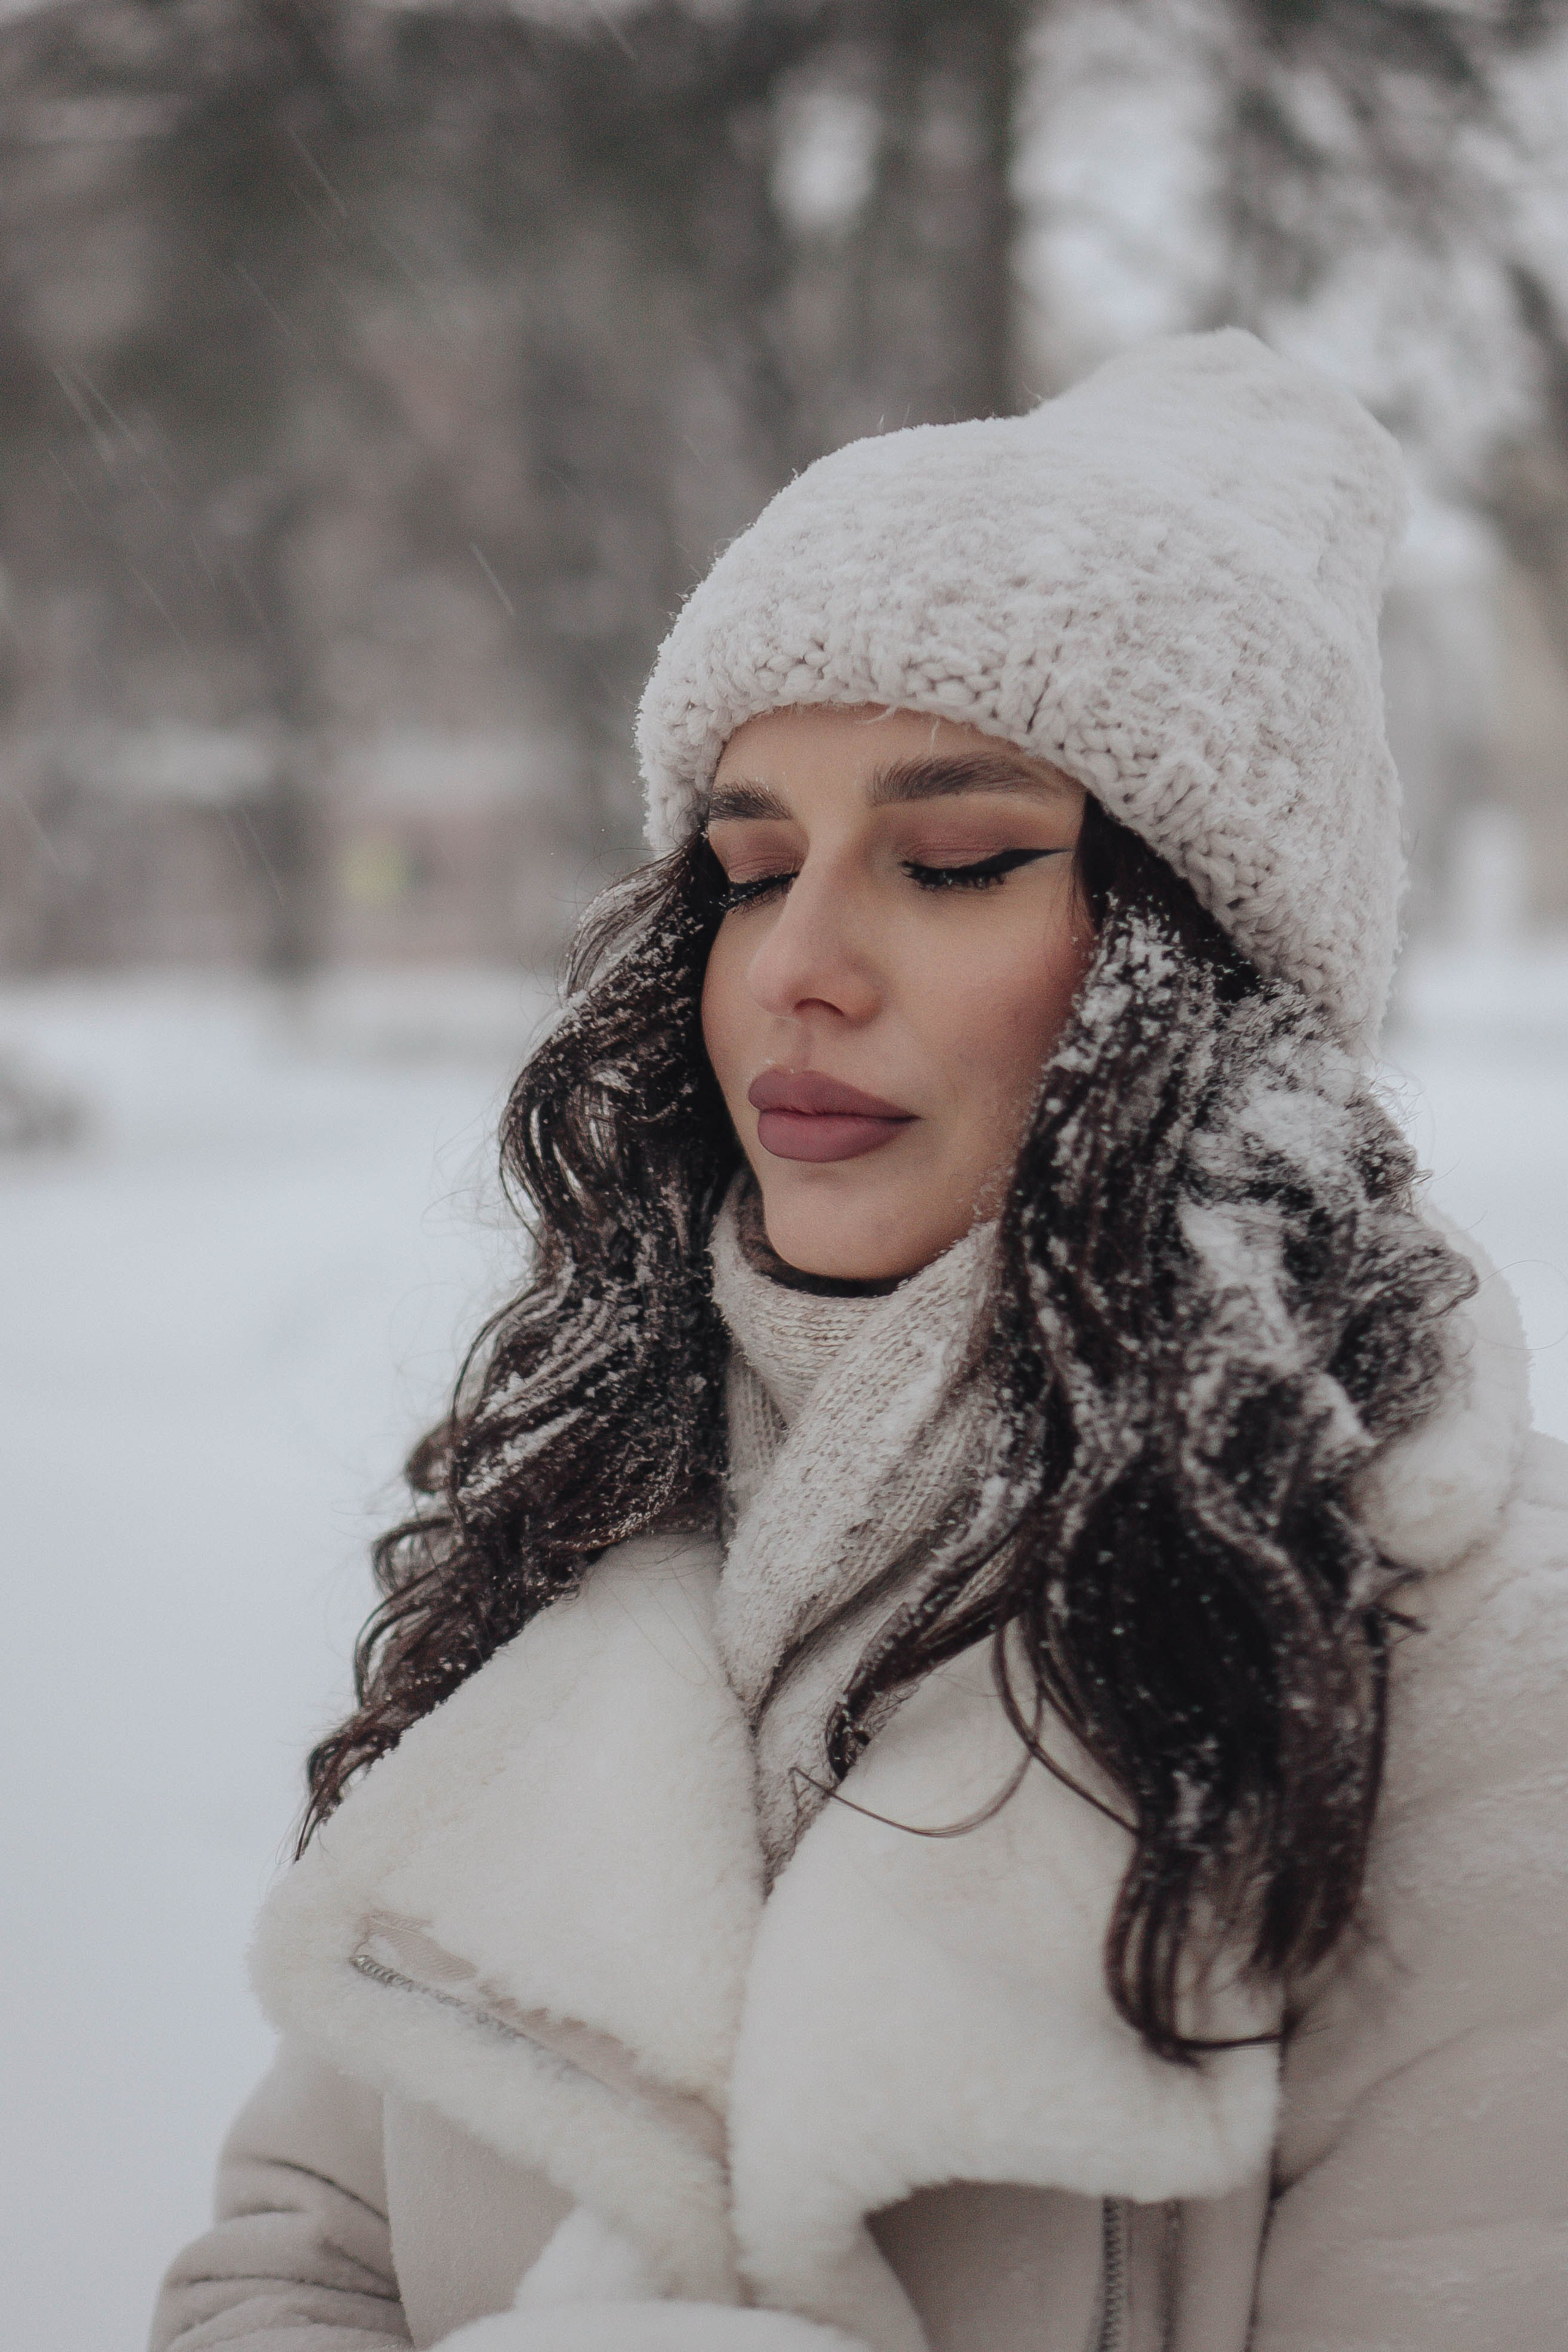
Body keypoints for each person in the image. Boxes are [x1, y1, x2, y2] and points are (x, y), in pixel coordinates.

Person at [151, 331, 1568, 2352]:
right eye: (747, 868)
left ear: (1199, 969)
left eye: (958, 859)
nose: (797, 966)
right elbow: (295, 2259)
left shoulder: (1479, 1682)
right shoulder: (590, 1530)